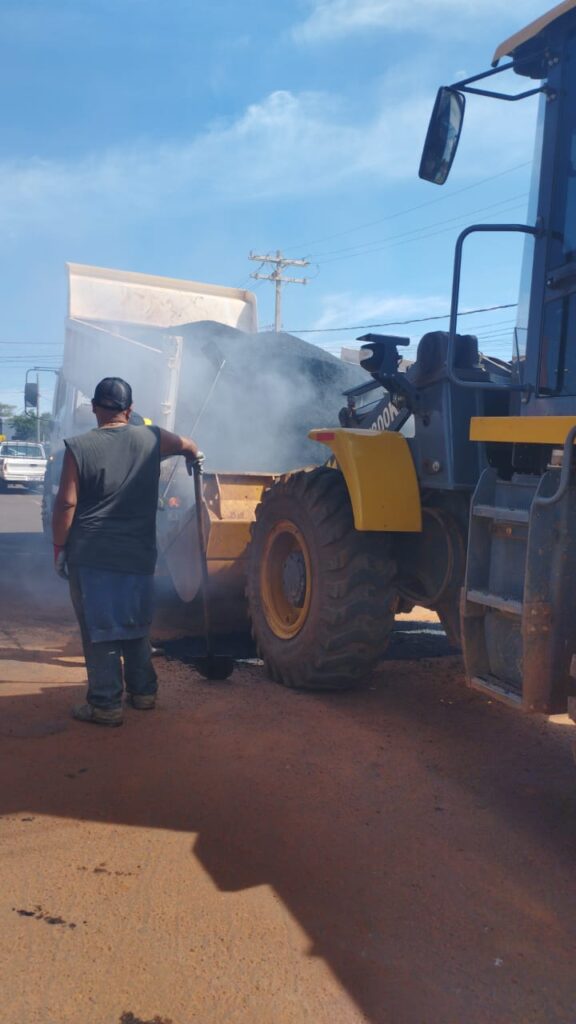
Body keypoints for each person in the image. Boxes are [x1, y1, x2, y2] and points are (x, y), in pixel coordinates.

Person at [52, 376, 202, 727]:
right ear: (130, 410)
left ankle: (105, 704)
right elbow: (188, 443)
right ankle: (144, 693)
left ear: (94, 408)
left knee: (99, 627)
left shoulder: (78, 447)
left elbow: (67, 503)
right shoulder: (151, 437)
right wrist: (194, 455)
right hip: (139, 554)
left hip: (92, 554)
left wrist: (60, 547)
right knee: (135, 622)